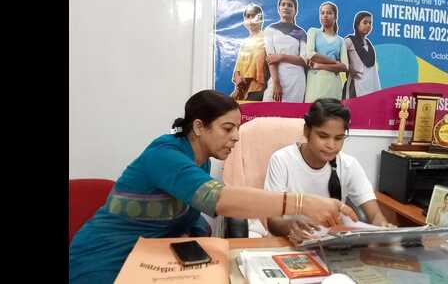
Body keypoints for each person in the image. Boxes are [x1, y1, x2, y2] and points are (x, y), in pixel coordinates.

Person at [69, 90, 358, 284]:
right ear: (198, 127)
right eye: (227, 129)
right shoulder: (164, 155)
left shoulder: (201, 160)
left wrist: (197, 244)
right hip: (105, 261)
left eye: (238, 128)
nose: (236, 138)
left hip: (150, 261)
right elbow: (217, 199)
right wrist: (302, 203)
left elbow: (189, 213)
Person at [264, 98, 393, 243]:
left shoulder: (348, 165)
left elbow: (375, 215)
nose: (331, 145)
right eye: (323, 136)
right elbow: (273, 222)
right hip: (289, 243)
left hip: (333, 246)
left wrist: (384, 228)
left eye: (338, 138)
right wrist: (292, 226)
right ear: (307, 131)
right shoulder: (282, 160)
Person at [262, 0, 308, 103]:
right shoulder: (270, 30)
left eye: (290, 5)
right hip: (276, 77)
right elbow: (271, 59)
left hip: (296, 79)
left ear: (295, 11)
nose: (286, 7)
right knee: (268, 112)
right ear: (278, 8)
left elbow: (304, 60)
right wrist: (276, 83)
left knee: (292, 116)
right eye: (283, 4)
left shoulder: (301, 32)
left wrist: (282, 57)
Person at [304, 2, 348, 103]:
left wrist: (320, 65)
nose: (325, 15)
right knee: (315, 114)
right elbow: (311, 54)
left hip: (333, 85)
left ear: (335, 16)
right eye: (322, 13)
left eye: (329, 13)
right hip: (315, 83)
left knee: (332, 115)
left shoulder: (340, 40)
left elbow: (345, 67)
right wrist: (336, 63)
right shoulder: (313, 32)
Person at [230, 4, 267, 101]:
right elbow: (238, 67)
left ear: (261, 19)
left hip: (257, 89)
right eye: (248, 16)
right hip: (242, 89)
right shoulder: (245, 42)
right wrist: (238, 81)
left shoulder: (265, 38)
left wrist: (243, 82)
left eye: (254, 15)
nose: (251, 18)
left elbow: (259, 63)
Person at [343, 11, 381, 99]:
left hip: (371, 84)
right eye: (365, 22)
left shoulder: (368, 43)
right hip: (357, 84)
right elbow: (338, 57)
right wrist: (348, 67)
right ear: (357, 24)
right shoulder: (349, 41)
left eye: (370, 23)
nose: (368, 25)